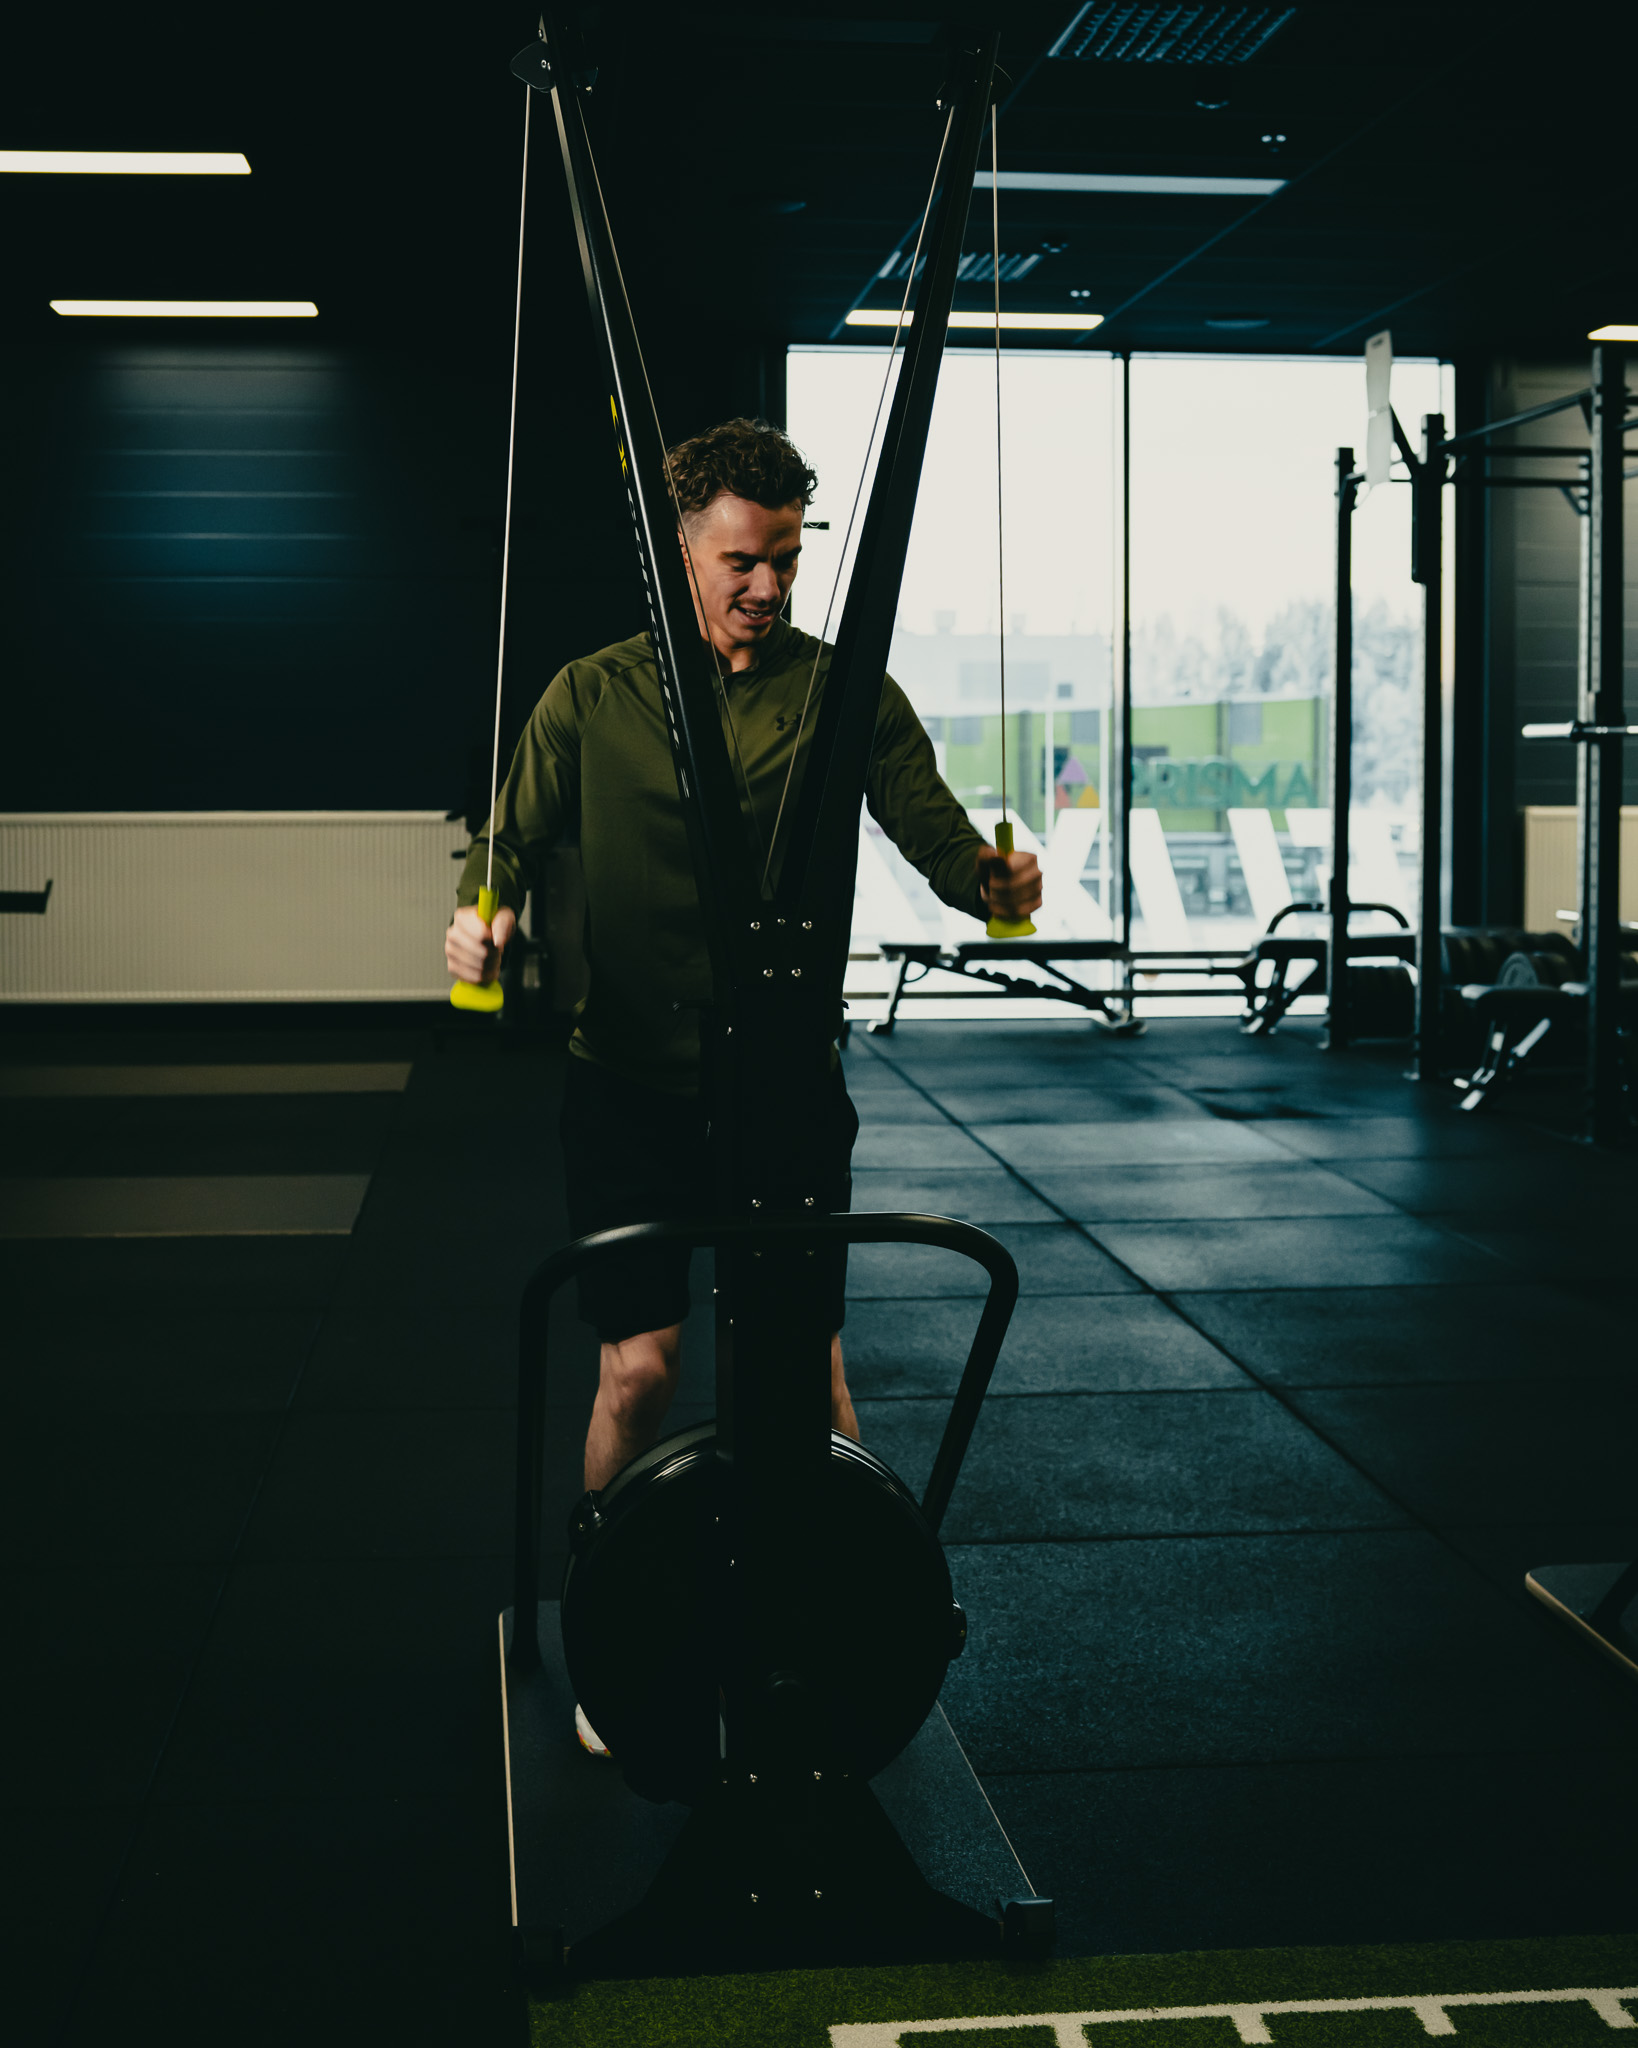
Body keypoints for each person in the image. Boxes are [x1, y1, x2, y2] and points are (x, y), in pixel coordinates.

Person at [447, 414, 1040, 1496]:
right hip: (628, 1085)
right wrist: (478, 917)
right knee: (638, 1372)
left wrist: (991, 882)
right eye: (742, 561)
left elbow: (941, 836)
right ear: (682, 557)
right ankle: (607, 1621)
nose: (768, 584)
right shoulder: (592, 693)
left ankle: (840, 1619)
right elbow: (506, 846)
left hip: (783, 1087)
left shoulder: (845, 691)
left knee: (809, 1373)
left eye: (788, 557)